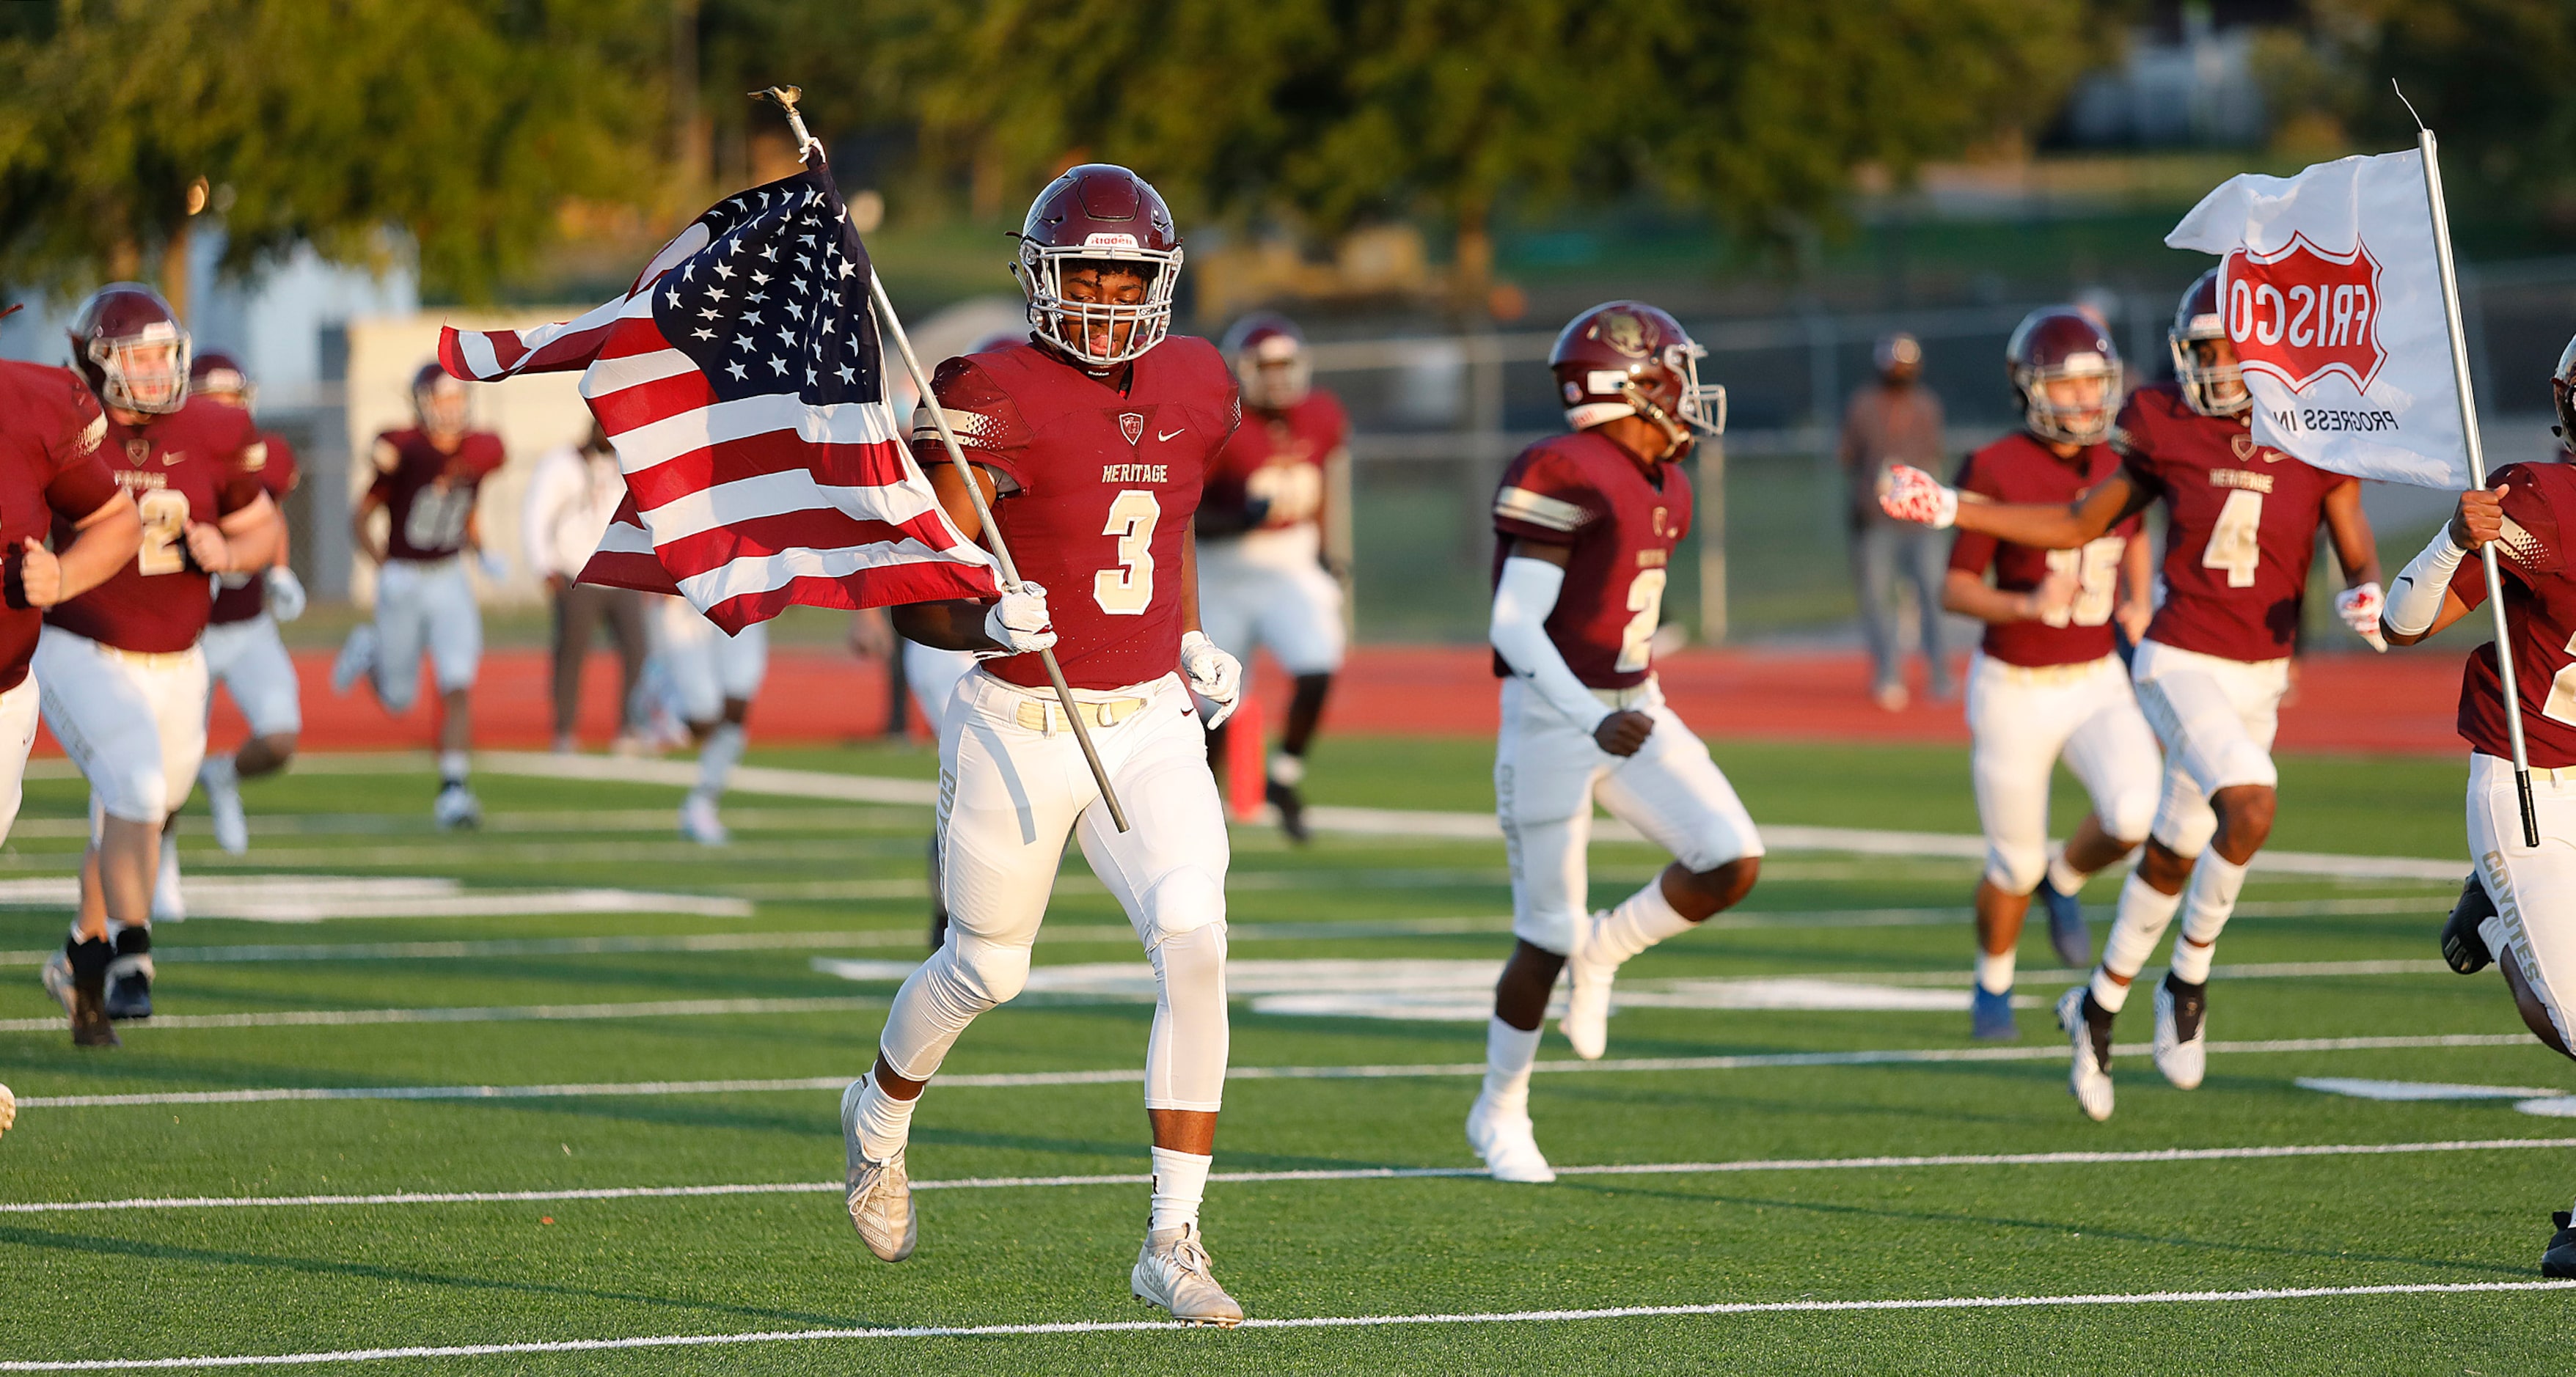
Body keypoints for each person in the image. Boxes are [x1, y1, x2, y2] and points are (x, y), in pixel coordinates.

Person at [835, 164, 1249, 1326]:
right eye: (1086, 275)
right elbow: (911, 595)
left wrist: (1191, 634)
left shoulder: (1197, 378)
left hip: (1150, 723)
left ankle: (1172, 1236)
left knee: (1194, 936)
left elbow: (1160, 521)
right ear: (1040, 277)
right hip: (1021, 712)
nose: (1109, 298)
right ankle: (875, 1117)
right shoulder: (990, 391)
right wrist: (982, 618)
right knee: (987, 967)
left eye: (1128, 276)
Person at [1878, 268, 2382, 1120]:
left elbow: (2353, 544)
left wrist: (2368, 590)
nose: (2210, 368)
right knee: (2249, 807)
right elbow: (2080, 519)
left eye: (2226, 350)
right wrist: (1954, 509)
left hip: (2257, 671)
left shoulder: (2317, 435)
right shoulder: (2166, 426)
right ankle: (2184, 987)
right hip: (2174, 660)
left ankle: (2097, 1003)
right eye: (2201, 351)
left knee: (2172, 844)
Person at [1467, 301, 1765, 1183]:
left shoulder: (1664, 477)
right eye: (1674, 371)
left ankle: (1612, 947)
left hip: (1634, 703)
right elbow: (1514, 626)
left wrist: (1624, 691)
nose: (1687, 389)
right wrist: (1591, 715)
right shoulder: (1563, 468)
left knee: (1729, 858)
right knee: (1544, 934)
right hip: (1556, 720)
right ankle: (1499, 1111)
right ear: (1625, 384)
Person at [33, 284, 278, 1046]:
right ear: (97, 362)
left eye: (164, 356)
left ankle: (82, 953)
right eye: (137, 358)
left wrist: (230, 552)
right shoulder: (65, 425)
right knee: (134, 790)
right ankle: (132, 958)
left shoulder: (210, 428)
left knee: (142, 809)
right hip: (83, 644)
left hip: (181, 657)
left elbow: (261, 526)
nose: (154, 372)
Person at [2393, 334, 2576, 1278]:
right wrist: (2456, 539)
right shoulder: (2535, 503)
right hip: (2529, 782)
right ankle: (2501, 924)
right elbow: (2401, 622)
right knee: (2572, 1018)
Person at [1940, 310, 2163, 1042]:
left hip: (2095, 675)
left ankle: (2062, 880)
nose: (2082, 402)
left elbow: (2129, 532)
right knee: (2008, 863)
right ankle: (1991, 981)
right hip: (2014, 686)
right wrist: (2023, 601)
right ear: (2030, 390)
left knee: (2133, 812)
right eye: (2065, 388)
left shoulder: (2122, 455)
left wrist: (2135, 597)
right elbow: (1955, 588)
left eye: (2093, 385)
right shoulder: (1994, 467)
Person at [1197, 313, 1351, 840]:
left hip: (1289, 564)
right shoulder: (1221, 423)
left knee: (1318, 664)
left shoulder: (1322, 415)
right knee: (1214, 701)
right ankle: (1200, 801)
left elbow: (1322, 487)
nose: (1280, 377)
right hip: (1224, 572)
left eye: (1287, 365)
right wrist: (1237, 521)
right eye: (1268, 366)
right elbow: (1187, 512)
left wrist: (1328, 551)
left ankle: (1285, 776)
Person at [332, 363, 505, 828]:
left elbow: (467, 506)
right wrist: (384, 565)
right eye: (442, 401)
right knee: (397, 699)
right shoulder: (405, 450)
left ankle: (454, 789)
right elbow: (360, 517)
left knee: (457, 680)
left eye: (455, 400)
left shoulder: (478, 449)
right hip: (405, 576)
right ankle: (367, 650)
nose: (451, 410)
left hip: (449, 576)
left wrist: (482, 550)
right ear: (423, 405)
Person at [187, 353, 305, 868]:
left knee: (280, 739)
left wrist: (278, 571)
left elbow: (270, 515)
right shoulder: (172, 457)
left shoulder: (265, 454)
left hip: (250, 624)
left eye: (234, 400)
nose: (228, 412)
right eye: (215, 402)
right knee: (170, 760)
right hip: (185, 632)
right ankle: (160, 860)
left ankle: (224, 776)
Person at [1840, 331, 1953, 710]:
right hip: (1876, 520)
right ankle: (1888, 673)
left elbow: (1935, 456)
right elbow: (1849, 456)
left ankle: (1940, 673)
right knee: (1877, 600)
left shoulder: (1927, 406)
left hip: (1919, 521)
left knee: (1933, 596)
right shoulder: (1863, 405)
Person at [523, 421, 648, 755]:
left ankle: (629, 726)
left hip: (620, 571)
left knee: (637, 648)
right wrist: (543, 564)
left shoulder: (629, 462)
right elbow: (537, 513)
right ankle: (564, 731)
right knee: (572, 653)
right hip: (575, 571)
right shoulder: (563, 463)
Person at [656, 594, 766, 845]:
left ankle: (703, 803)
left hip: (746, 592)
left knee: (737, 703)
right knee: (703, 713)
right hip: (692, 591)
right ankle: (657, 689)